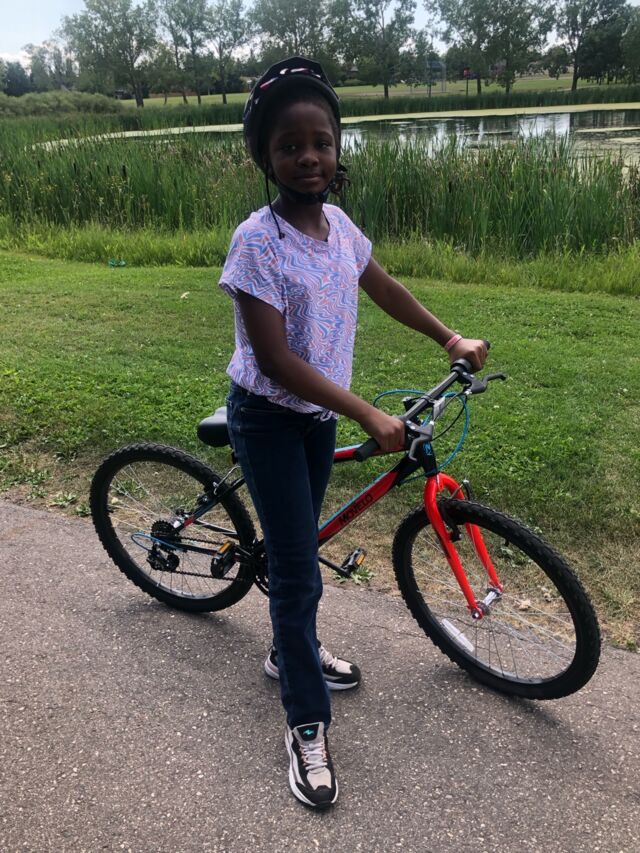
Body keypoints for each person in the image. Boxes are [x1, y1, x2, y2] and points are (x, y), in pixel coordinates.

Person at [219, 56, 487, 810]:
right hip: (269, 419)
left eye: (321, 142)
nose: (308, 156)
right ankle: (305, 724)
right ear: (265, 156)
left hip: (313, 421)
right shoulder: (256, 242)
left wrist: (448, 336)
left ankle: (288, 650)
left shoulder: (338, 226)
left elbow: (384, 286)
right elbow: (276, 360)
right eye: (289, 145)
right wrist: (367, 412)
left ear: (337, 149)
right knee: (298, 571)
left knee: (300, 546)